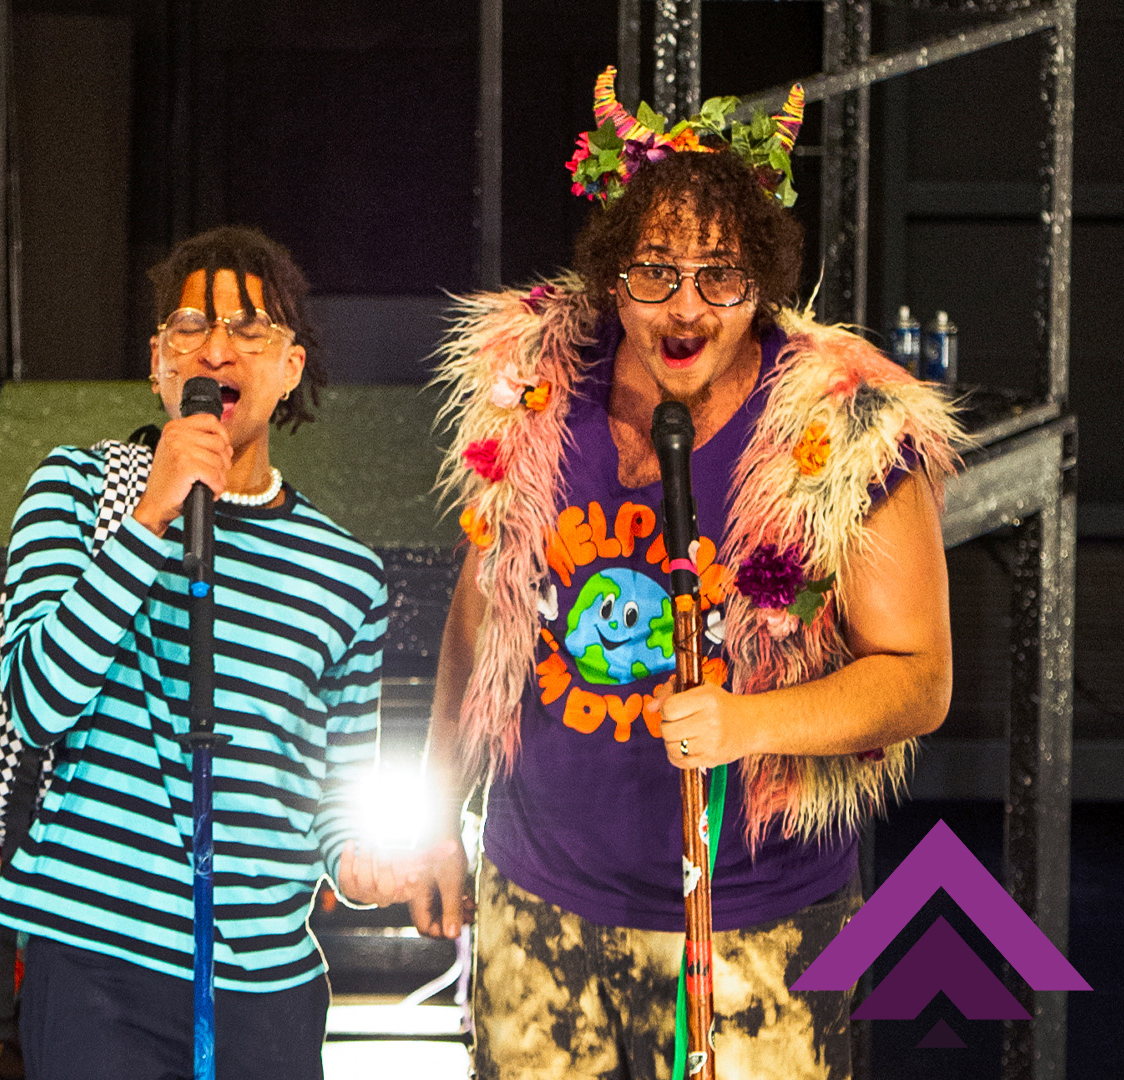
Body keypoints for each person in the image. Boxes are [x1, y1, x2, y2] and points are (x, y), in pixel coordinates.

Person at [411, 68, 962, 1078]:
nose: (686, 306)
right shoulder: (537, 393)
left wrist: (749, 723)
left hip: (751, 930)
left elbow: (919, 677)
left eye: (722, 276)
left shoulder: (844, 430)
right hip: (538, 909)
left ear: (764, 281)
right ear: (612, 271)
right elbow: (477, 611)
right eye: (656, 270)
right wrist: (438, 809)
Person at [0, 227, 408, 1079]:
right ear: (158, 365)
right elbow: (36, 701)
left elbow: (336, 796)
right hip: (96, 955)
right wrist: (150, 517)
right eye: (190, 327)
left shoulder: (347, 573)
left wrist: (360, 859)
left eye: (250, 330)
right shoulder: (74, 489)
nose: (216, 347)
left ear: (289, 368)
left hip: (266, 986)